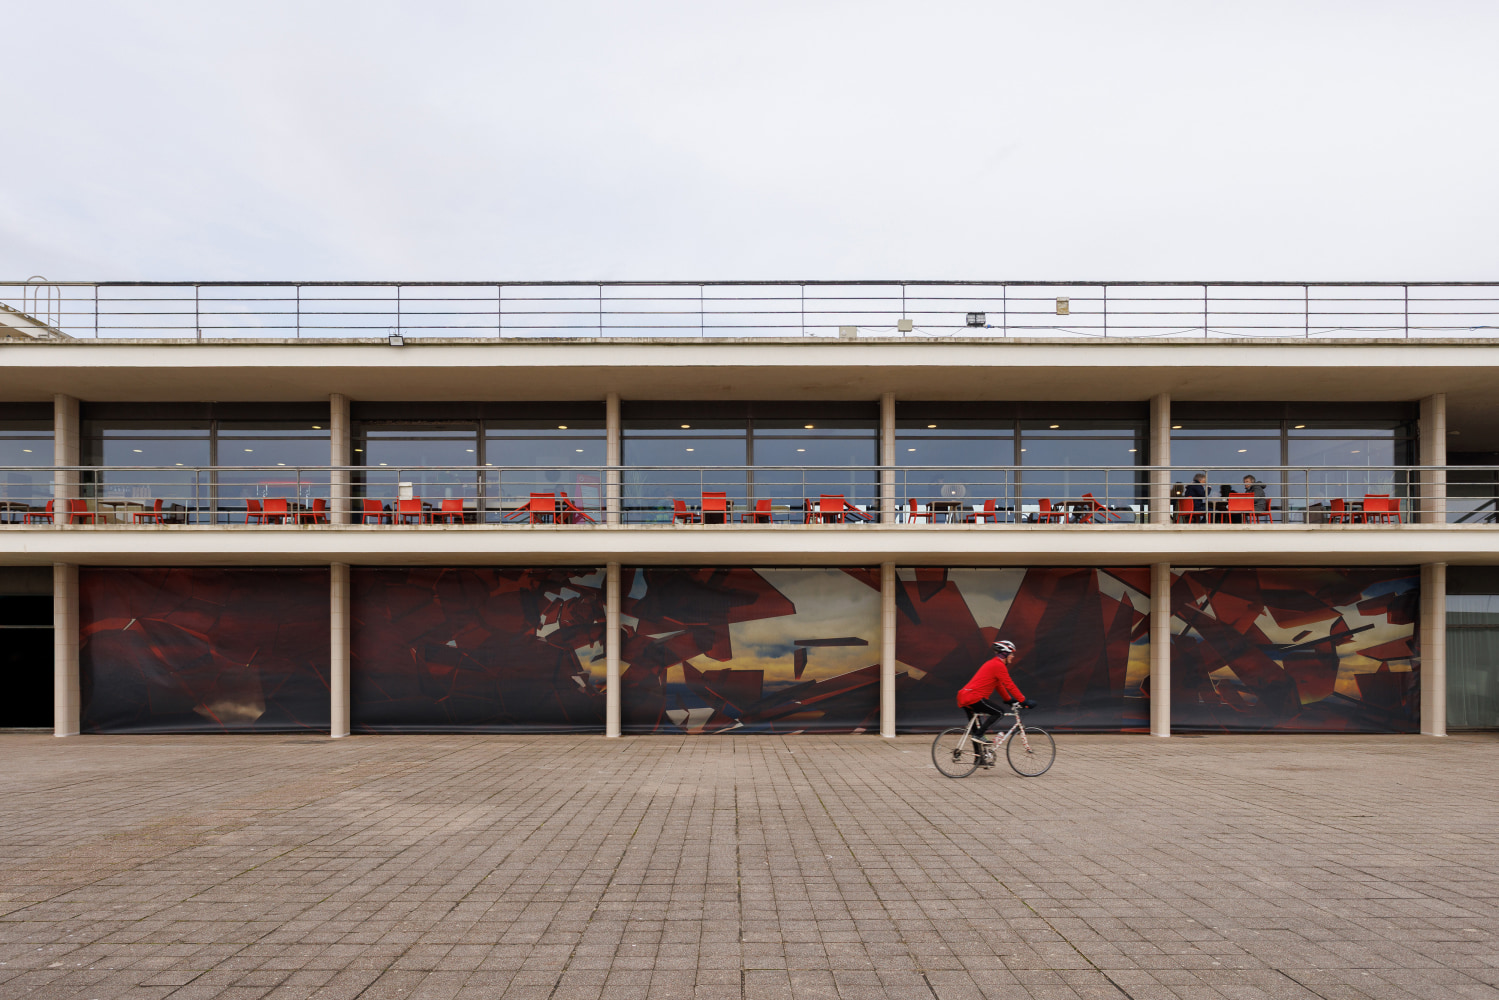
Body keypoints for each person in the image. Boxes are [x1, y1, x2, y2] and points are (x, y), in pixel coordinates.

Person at [956, 639, 1035, 753]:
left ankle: (979, 759)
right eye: (1012, 654)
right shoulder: (998, 665)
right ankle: (979, 735)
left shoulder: (992, 664)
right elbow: (1009, 685)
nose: (1013, 656)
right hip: (974, 697)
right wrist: (1023, 700)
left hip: (965, 696)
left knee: (976, 730)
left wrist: (1008, 700)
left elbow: (999, 685)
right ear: (1005, 654)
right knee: (999, 712)